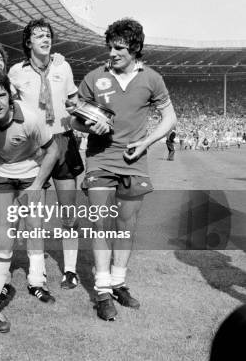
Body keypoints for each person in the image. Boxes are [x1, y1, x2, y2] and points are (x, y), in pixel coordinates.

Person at [72, 18, 176, 321]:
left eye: (119, 48)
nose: (113, 53)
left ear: (136, 48)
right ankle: (102, 289)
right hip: (101, 158)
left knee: (127, 224)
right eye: (110, 47)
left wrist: (146, 143)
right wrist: (90, 123)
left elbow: (169, 118)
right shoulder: (94, 77)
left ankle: (119, 282)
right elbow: (75, 120)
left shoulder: (153, 79)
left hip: (135, 160)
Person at [0, 71, 59, 333]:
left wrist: (38, 185)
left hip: (30, 173)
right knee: (5, 234)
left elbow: (53, 150)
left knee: (33, 227)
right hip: (0, 174)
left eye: (1, 95)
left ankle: (36, 281)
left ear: (10, 95)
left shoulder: (30, 118)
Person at [8, 18, 84, 298]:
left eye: (48, 35)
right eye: (39, 35)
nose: (45, 38)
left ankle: (71, 270)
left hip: (62, 140)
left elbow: (74, 100)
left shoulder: (63, 66)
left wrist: (76, 105)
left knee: (68, 211)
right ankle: (34, 273)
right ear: (28, 42)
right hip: (33, 146)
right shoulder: (16, 71)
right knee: (31, 212)